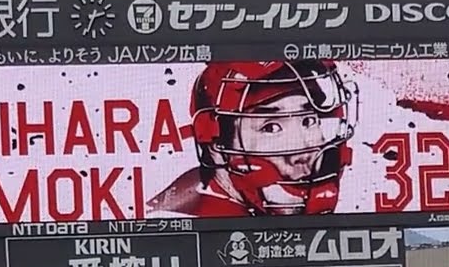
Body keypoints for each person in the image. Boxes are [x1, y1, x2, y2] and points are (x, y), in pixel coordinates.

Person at [149, 59, 357, 217]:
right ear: (216, 145)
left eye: (308, 121)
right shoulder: (178, 222)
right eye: (271, 127)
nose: (303, 152)